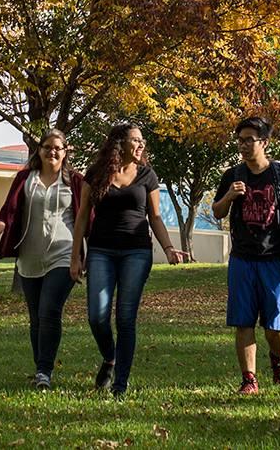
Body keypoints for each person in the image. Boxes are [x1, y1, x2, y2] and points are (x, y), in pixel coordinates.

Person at [70, 123, 191, 398]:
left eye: (142, 140)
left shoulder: (147, 175)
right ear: (119, 144)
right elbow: (81, 216)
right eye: (136, 140)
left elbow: (156, 217)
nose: (141, 145)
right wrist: (75, 256)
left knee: (126, 317)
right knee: (97, 316)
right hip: (101, 250)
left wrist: (169, 247)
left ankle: (120, 384)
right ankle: (109, 357)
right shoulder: (96, 173)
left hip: (136, 252)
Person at [212, 117, 280, 395]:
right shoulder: (232, 175)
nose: (243, 145)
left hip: (274, 257)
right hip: (242, 258)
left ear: (264, 142)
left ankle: (278, 360)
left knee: (275, 325)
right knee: (243, 321)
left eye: (249, 139)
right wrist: (229, 196)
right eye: (240, 140)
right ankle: (249, 379)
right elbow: (217, 212)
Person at [0, 130, 84, 391]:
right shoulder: (25, 179)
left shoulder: (75, 181)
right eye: (47, 147)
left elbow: (87, 218)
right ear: (39, 150)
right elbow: (7, 212)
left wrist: (86, 257)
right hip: (30, 256)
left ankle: (44, 372)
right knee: (35, 317)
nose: (52, 152)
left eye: (58, 148)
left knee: (49, 310)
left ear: (65, 152)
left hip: (63, 255)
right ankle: (40, 367)